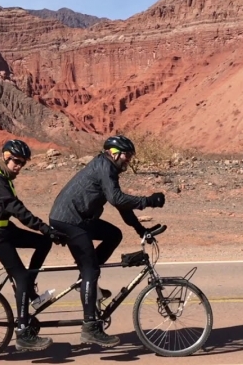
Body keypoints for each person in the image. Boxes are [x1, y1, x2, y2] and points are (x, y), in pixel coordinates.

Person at [48, 134, 165, 347]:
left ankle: (87, 279)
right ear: (114, 153)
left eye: (130, 156)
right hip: (69, 221)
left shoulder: (106, 167)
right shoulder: (105, 167)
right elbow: (116, 198)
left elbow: (121, 205)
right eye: (127, 155)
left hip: (77, 219)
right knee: (91, 271)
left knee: (113, 235)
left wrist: (140, 229)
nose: (128, 160)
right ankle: (90, 328)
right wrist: (147, 201)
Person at [0, 139, 68, 351]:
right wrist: (45, 227)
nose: (19, 166)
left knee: (44, 243)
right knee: (21, 275)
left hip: (3, 229)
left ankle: (28, 290)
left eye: (23, 163)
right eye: (16, 161)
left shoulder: (5, 178)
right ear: (6, 157)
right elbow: (17, 209)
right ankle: (23, 333)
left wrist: (49, 233)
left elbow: (15, 211)